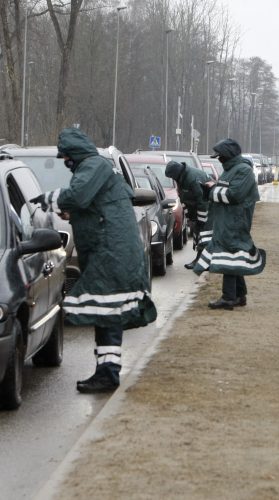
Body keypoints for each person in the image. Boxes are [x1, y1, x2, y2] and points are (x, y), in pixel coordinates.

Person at [30, 127, 157, 393]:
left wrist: (49, 199)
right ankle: (107, 371)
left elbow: (78, 196)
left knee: (106, 311)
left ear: (73, 155)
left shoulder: (93, 166)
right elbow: (93, 206)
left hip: (111, 254)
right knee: (106, 313)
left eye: (66, 157)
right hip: (109, 253)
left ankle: (108, 373)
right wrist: (72, 214)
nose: (66, 163)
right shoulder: (95, 169)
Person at [193, 138, 266, 310]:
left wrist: (211, 191)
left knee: (229, 257)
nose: (219, 159)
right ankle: (240, 296)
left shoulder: (243, 171)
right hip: (227, 219)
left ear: (228, 155)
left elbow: (234, 195)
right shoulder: (231, 170)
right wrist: (212, 187)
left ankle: (228, 298)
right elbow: (225, 189)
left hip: (236, 221)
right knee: (235, 256)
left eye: (220, 156)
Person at [164, 160, 212, 269]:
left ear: (176, 173)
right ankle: (202, 260)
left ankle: (202, 261)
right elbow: (183, 199)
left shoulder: (193, 179)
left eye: (172, 177)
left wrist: (200, 220)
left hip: (209, 209)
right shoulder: (182, 178)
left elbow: (202, 201)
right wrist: (190, 217)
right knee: (198, 234)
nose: (172, 179)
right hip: (196, 210)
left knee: (204, 235)